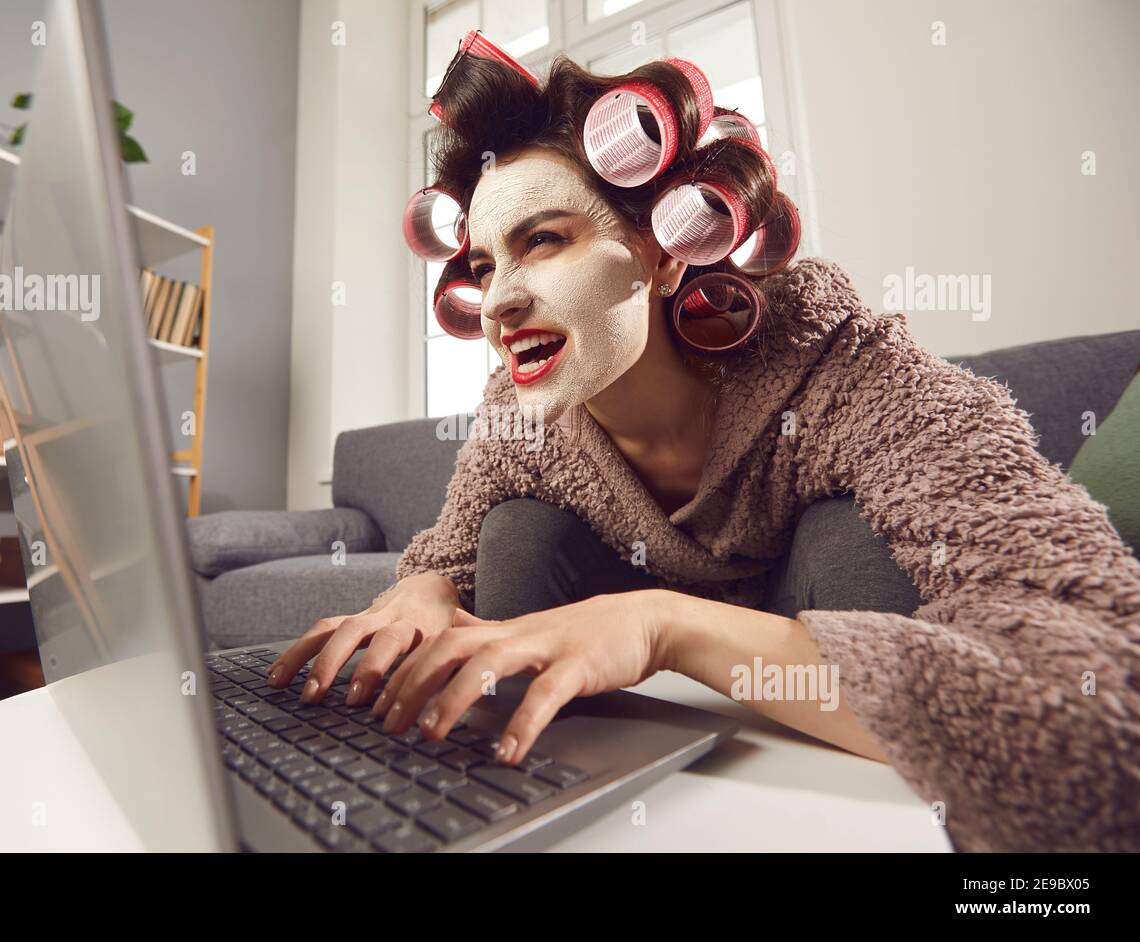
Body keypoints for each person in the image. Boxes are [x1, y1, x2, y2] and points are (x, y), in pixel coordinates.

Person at [268, 39, 1140, 852]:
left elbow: (1103, 691)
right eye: (487, 263)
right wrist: (421, 588)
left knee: (851, 540)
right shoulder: (519, 411)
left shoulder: (853, 372)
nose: (497, 302)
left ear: (662, 253)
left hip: (814, 685)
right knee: (516, 537)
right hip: (629, 730)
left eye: (543, 239)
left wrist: (663, 626)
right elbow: (452, 548)